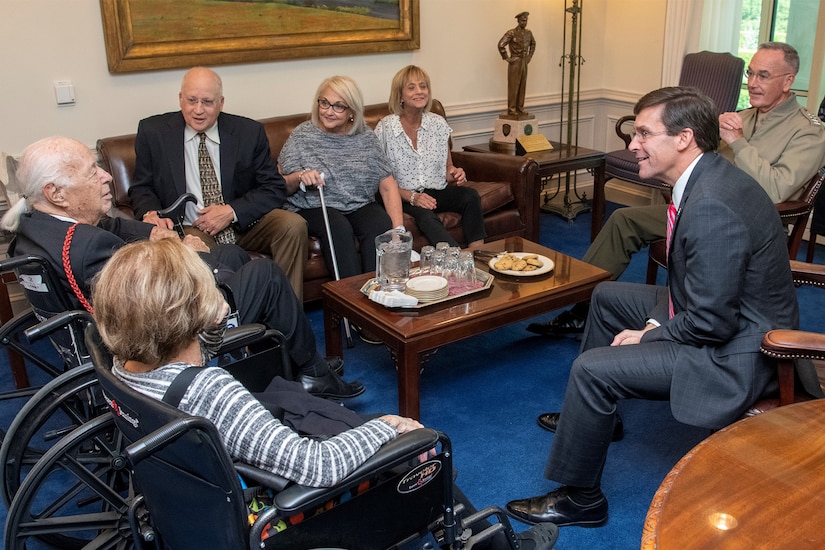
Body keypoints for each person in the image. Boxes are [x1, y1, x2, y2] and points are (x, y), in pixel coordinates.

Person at [93, 239, 558, 549]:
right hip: (277, 517)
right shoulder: (209, 390)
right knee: (424, 448)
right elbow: (319, 468)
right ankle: (490, 543)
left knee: (318, 412)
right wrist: (385, 427)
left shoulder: (121, 368)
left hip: (199, 511)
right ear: (185, 306)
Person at [505, 87, 815, 528]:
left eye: (645, 134)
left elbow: (712, 321)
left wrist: (651, 333)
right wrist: (656, 320)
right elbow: (704, 291)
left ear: (684, 138)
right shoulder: (708, 177)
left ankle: (582, 499)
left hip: (741, 351)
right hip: (722, 314)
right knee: (608, 296)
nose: (633, 144)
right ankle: (599, 421)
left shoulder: (710, 205)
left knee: (593, 369)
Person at [1, 136, 363, 400]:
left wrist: (159, 234)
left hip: (102, 331)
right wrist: (181, 255)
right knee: (265, 275)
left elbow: (114, 227)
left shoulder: (35, 229)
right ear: (56, 192)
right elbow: (151, 305)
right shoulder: (88, 247)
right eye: (90, 172)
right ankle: (312, 372)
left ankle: (269, 364)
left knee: (233, 257)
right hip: (160, 338)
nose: (106, 176)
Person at [528, 42, 825, 339]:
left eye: (763, 76)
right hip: (699, 209)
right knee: (624, 219)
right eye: (750, 73)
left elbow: (775, 190)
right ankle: (580, 307)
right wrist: (710, 129)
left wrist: (736, 141)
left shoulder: (808, 130)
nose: (752, 83)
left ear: (788, 81)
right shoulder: (743, 117)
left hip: (742, 227)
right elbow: (696, 159)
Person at [129, 67, 309, 300]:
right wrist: (150, 212)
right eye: (192, 100)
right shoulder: (154, 132)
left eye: (207, 102)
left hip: (244, 222)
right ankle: (230, 321)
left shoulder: (248, 132)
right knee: (212, 254)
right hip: (193, 225)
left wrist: (231, 211)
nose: (198, 110)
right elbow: (141, 187)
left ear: (221, 103)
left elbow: (273, 188)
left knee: (293, 225)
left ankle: (285, 305)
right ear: (180, 99)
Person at [278, 75, 404, 280]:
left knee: (379, 223)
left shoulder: (366, 137)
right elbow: (281, 185)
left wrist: (397, 231)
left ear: (352, 112)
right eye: (324, 103)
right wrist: (301, 176)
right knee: (337, 225)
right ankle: (350, 297)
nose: (328, 111)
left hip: (358, 204)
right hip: (313, 206)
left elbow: (387, 185)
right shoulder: (302, 135)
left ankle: (379, 290)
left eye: (338, 106)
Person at [374, 65, 486, 249]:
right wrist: (413, 197)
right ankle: (455, 258)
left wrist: (455, 173)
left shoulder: (437, 123)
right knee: (425, 215)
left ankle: (477, 253)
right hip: (402, 194)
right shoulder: (385, 128)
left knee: (470, 196)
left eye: (423, 86)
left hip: (436, 190)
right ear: (400, 95)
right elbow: (381, 182)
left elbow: (447, 169)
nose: (419, 92)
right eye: (411, 87)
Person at [498, 12, 536, 117]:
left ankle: (520, 108)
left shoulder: (529, 33)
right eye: (523, 20)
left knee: (522, 86)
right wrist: (507, 57)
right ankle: (512, 109)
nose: (525, 22)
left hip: (524, 62)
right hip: (515, 62)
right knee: (514, 86)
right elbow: (501, 44)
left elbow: (533, 44)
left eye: (526, 20)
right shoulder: (511, 33)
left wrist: (529, 57)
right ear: (518, 21)